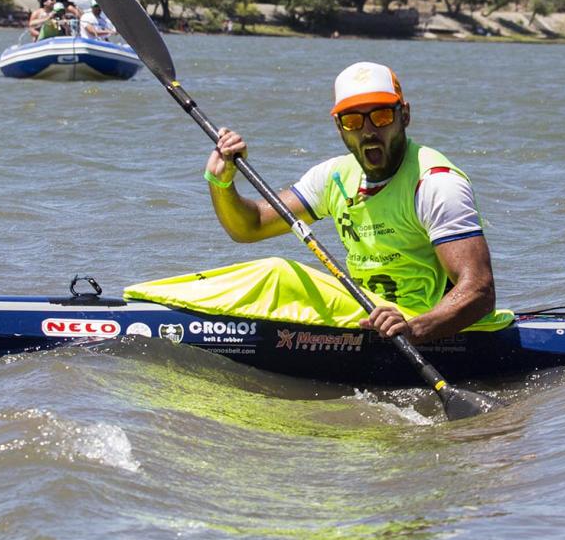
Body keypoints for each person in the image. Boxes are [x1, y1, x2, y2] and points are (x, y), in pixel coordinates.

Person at [202, 61, 497, 343]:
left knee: (278, 274)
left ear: (404, 115)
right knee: (279, 281)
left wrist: (415, 330)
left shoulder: (435, 183)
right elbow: (250, 227)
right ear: (339, 126)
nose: (368, 131)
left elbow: (479, 290)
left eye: (381, 116)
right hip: (371, 317)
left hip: (425, 325)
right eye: (353, 120)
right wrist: (221, 182)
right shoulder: (334, 177)